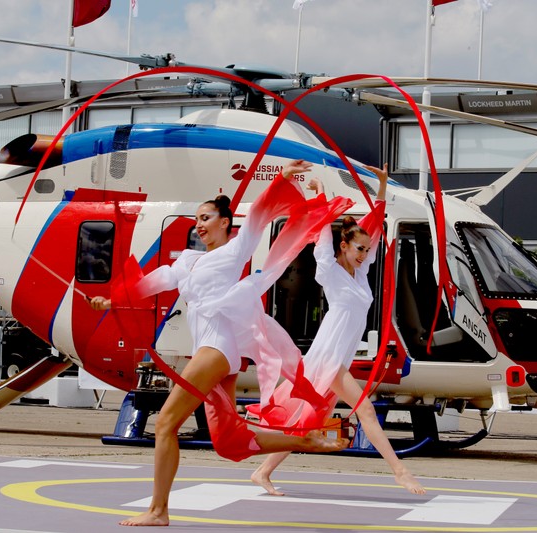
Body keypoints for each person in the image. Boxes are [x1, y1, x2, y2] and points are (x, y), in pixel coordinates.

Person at [90, 160, 351, 527]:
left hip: (218, 348)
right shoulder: (188, 262)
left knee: (166, 423)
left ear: (225, 223)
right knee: (228, 442)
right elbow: (150, 283)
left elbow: (260, 214)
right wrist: (111, 299)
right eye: (196, 218)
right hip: (212, 352)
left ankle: (158, 511)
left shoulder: (234, 251)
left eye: (206, 217)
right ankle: (307, 440)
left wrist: (280, 179)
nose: (199, 224)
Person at [250, 164, 426, 496]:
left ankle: (262, 471)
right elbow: (321, 231)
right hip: (328, 356)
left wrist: (384, 187)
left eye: (365, 249)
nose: (364, 253)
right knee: (366, 410)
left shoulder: (361, 274)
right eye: (358, 249)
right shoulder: (330, 271)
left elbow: (374, 227)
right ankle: (400, 471)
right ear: (343, 246)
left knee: (310, 420)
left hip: (339, 355)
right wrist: (319, 195)